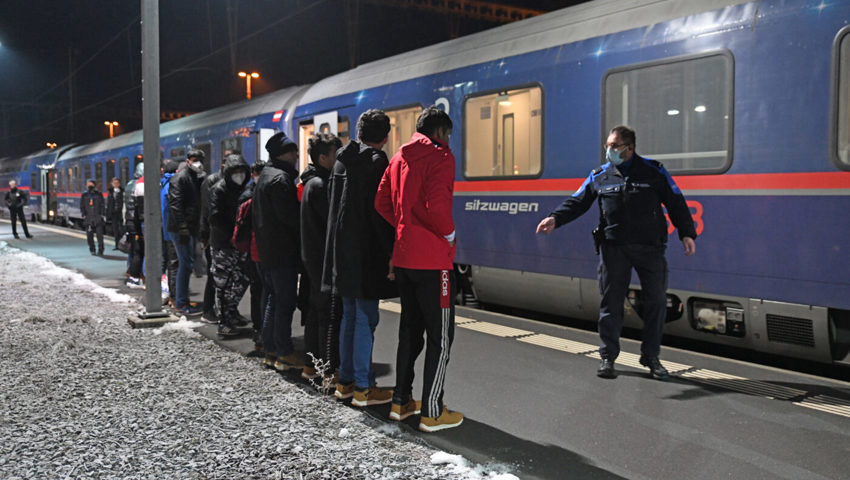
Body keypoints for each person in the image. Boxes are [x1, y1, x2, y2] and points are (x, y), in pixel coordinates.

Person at [535, 125, 697, 380]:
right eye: (607, 146)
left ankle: (651, 357)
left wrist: (686, 233)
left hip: (650, 248)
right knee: (611, 304)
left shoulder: (654, 171)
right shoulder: (600, 175)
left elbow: (676, 201)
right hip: (614, 248)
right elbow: (578, 201)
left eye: (614, 146)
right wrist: (555, 218)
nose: (608, 150)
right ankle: (608, 357)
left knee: (655, 302)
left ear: (629, 148)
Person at [375, 106, 462, 431]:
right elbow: (437, 205)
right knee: (441, 336)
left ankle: (401, 401)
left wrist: (403, 226)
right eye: (448, 135)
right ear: (440, 132)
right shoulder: (440, 157)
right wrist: (449, 234)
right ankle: (433, 411)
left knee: (409, 331)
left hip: (405, 257)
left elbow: (381, 201)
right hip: (433, 261)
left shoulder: (399, 157)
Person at [323, 109, 396, 407]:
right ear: (386, 136)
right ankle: (364, 388)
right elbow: (380, 212)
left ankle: (346, 382)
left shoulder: (342, 160)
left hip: (343, 249)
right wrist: (391, 252)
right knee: (366, 317)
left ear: (360, 131)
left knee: (350, 316)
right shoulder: (377, 162)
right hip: (367, 252)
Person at [253, 132, 301, 370]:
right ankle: (284, 352)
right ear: (284, 154)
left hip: (266, 251)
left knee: (272, 300)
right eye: (293, 151)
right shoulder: (281, 180)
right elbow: (290, 219)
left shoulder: (265, 176)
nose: (296, 156)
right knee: (285, 302)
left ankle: (270, 349)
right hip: (282, 253)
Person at [300, 132, 343, 381]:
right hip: (321, 260)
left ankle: (311, 366)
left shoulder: (311, 182)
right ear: (322, 157)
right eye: (335, 154)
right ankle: (326, 370)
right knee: (327, 316)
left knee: (317, 314)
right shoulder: (320, 185)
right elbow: (331, 221)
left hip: (313, 259)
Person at [208, 154, 252, 337]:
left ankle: (232, 312)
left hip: (239, 244)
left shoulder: (244, 189)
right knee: (223, 283)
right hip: (223, 244)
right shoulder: (219, 189)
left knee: (241, 279)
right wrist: (231, 234)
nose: (239, 175)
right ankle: (223, 322)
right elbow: (215, 217)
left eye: (242, 171)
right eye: (235, 171)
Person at [167, 149, 206, 317]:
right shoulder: (181, 178)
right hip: (180, 228)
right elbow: (176, 205)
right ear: (188, 160)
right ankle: (181, 304)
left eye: (199, 159)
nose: (197, 161)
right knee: (185, 264)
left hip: (187, 227)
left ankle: (182, 301)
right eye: (194, 159)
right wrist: (182, 227)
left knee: (186, 263)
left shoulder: (194, 177)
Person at [198, 160, 222, 324]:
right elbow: (207, 211)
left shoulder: (222, 181)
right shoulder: (212, 182)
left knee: (220, 276)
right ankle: (208, 310)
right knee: (213, 274)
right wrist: (205, 236)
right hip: (213, 236)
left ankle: (223, 310)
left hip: (218, 235)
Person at [160, 161, 180, 308]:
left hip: (166, 230)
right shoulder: (172, 185)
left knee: (171, 264)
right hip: (173, 231)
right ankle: (175, 298)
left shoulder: (163, 184)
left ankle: (173, 296)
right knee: (174, 265)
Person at [124, 162, 145, 288]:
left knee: (133, 251)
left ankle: (131, 273)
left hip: (129, 221)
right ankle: (135, 277)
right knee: (139, 251)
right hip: (137, 221)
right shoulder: (140, 184)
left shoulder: (129, 184)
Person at [80, 179, 105, 256]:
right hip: (88, 219)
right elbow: (82, 205)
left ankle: (100, 250)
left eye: (91, 184)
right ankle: (92, 249)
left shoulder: (99, 194)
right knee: (89, 236)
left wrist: (102, 214)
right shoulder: (84, 195)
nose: (90, 186)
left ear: (94, 185)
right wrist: (83, 214)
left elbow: (102, 205)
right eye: (88, 184)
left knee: (100, 236)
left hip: (97, 218)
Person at [106, 177, 124, 248]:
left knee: (121, 229)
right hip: (113, 214)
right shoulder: (110, 192)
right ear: (112, 184)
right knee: (115, 230)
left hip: (120, 213)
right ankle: (117, 245)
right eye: (114, 183)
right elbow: (108, 204)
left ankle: (122, 245)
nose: (116, 184)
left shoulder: (122, 192)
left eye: (117, 183)